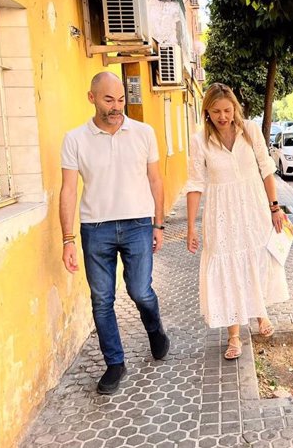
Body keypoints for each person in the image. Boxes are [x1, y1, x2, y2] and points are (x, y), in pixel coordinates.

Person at [60, 72, 170, 395]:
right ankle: (115, 363)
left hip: (138, 223)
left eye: (121, 99)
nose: (117, 106)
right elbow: (67, 191)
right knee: (102, 299)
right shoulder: (75, 139)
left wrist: (158, 223)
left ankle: (155, 329)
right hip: (95, 229)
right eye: (109, 99)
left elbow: (156, 180)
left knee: (140, 290)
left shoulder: (144, 133)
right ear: (91, 98)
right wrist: (67, 239)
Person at [185, 83, 289, 360]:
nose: (223, 116)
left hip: (253, 207)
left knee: (255, 259)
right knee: (228, 267)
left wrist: (275, 208)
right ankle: (234, 335)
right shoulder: (200, 141)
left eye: (227, 110)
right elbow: (195, 184)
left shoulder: (250, 131)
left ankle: (260, 313)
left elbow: (267, 169)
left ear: (235, 108)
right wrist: (191, 227)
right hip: (221, 213)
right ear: (206, 111)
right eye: (216, 111)